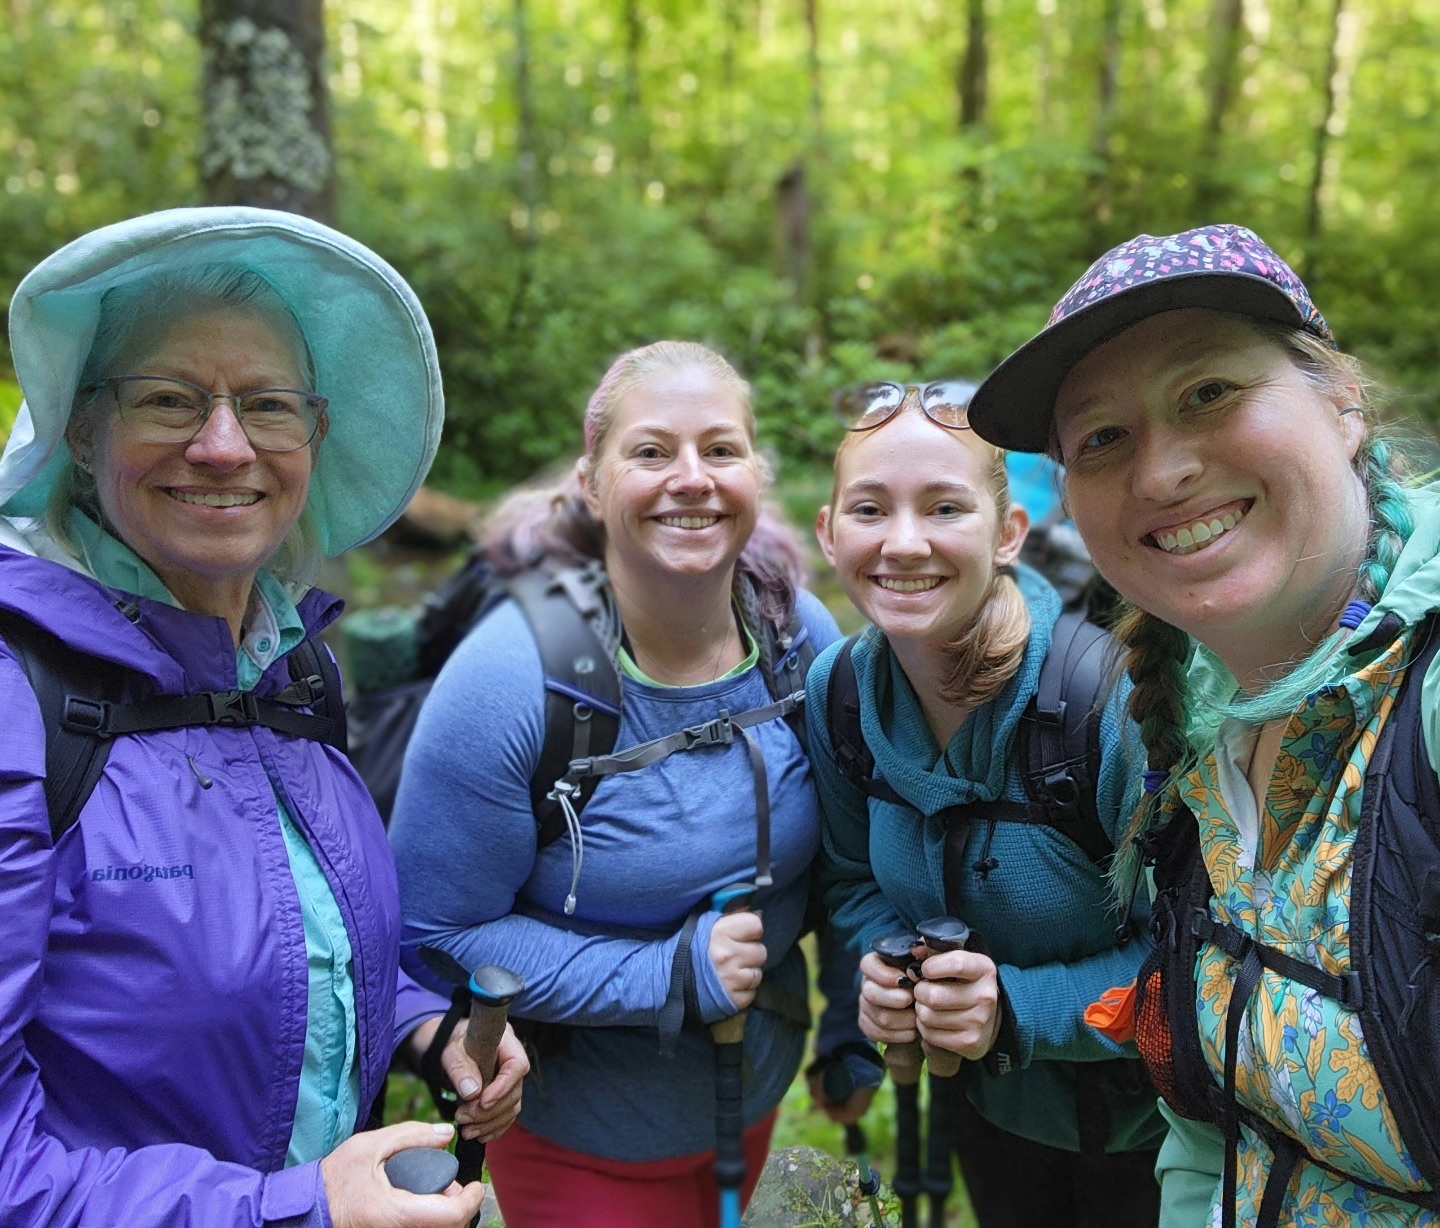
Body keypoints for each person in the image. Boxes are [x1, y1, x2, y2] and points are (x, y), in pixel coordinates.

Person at [0, 207, 527, 1228]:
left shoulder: (290, 671)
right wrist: (294, 1208)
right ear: (81, 425)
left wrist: (421, 1027)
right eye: (168, 397)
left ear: (315, 436)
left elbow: (281, 928)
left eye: (270, 405)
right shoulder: (22, 699)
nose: (224, 444)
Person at [967, 222, 1440, 1227]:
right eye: (1103, 438)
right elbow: (1207, 1123)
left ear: (1343, 402)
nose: (1162, 471)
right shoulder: (1188, 730)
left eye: (1208, 392)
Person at [389, 341, 875, 1228]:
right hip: (579, 1136)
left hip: (752, 1094)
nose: (691, 477)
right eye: (651, 452)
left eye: (720, 450)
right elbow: (433, 930)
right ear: (590, 483)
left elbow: (844, 848)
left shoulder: (794, 632)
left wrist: (850, 1016)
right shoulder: (511, 679)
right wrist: (666, 975)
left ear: (756, 474)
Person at [808, 379, 1166, 1228]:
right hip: (983, 1106)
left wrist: (1014, 1009)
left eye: (943, 509)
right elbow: (852, 877)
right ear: (827, 534)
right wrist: (886, 982)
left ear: (1009, 535)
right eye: (868, 510)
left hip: (1152, 1129)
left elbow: (1192, 960)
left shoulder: (1103, 704)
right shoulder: (841, 696)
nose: (902, 544)